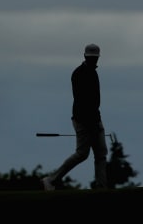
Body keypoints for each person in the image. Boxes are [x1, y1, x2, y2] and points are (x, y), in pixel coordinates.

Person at [42, 43, 108, 190]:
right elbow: (83, 102)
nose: (93, 60)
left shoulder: (92, 72)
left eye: (95, 58)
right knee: (82, 154)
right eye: (91, 58)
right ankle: (51, 180)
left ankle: (101, 186)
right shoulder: (79, 73)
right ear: (85, 56)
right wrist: (92, 126)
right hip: (83, 120)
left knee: (101, 153)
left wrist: (96, 121)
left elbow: (95, 102)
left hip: (95, 118)